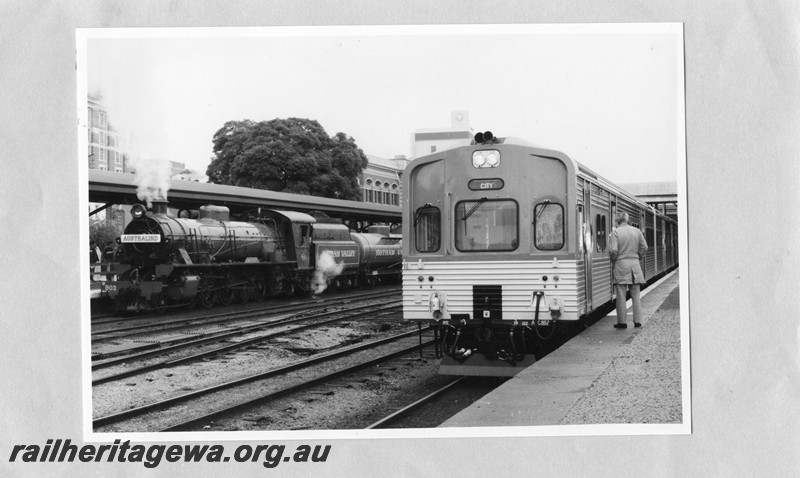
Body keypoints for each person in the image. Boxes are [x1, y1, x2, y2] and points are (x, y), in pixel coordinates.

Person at [608, 211, 648, 329]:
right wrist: (638, 257)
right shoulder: (637, 231)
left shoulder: (615, 233)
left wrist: (614, 261)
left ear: (618, 221)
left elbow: (613, 251)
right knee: (636, 295)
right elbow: (644, 247)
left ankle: (622, 322)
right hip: (635, 266)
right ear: (627, 219)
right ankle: (637, 321)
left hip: (621, 266)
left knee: (621, 296)